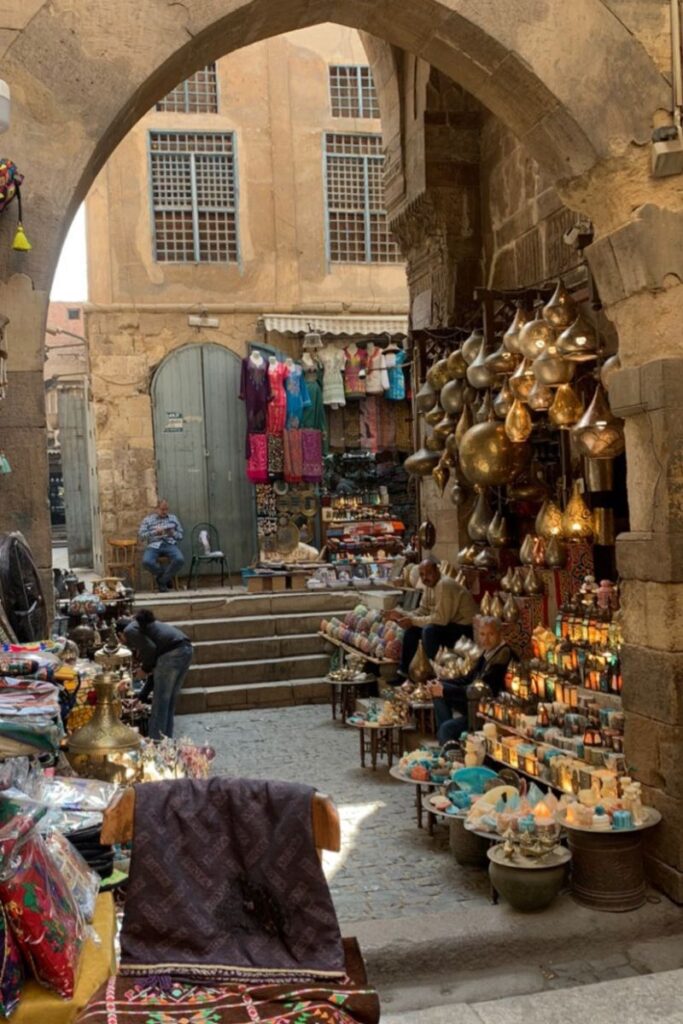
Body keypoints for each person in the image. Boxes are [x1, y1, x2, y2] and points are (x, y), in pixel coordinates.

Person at [388, 557, 477, 678]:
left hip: (464, 630)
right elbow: (423, 610)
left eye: (429, 573)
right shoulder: (429, 585)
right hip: (449, 626)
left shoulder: (444, 584)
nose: (425, 578)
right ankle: (404, 673)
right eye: (422, 574)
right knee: (412, 631)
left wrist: (412, 620)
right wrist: (403, 615)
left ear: (437, 571)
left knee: (429, 631)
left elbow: (441, 619)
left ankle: (436, 674)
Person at [429, 616, 512, 744]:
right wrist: (442, 684)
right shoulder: (488, 652)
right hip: (473, 701)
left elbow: (482, 690)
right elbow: (468, 678)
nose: (486, 639)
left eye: (491, 634)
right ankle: (449, 744)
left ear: (500, 634)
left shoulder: (503, 655)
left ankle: (448, 743)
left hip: (488, 710)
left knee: (446, 729)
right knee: (438, 691)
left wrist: (445, 690)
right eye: (483, 634)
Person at [116, 610, 193, 739]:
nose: (126, 644)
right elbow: (155, 673)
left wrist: (143, 670)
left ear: (120, 634)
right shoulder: (143, 629)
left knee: (160, 704)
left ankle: (155, 746)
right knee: (168, 702)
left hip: (172, 652)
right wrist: (141, 697)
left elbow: (150, 651)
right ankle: (165, 743)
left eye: (122, 641)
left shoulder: (129, 631)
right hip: (185, 649)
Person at [139, 498, 184, 591]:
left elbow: (180, 536)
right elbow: (141, 536)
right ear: (156, 509)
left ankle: (162, 581)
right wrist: (154, 533)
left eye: (166, 509)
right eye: (162, 509)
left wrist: (173, 533)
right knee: (146, 562)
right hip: (154, 545)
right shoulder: (148, 520)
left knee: (180, 559)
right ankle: (165, 577)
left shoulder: (173, 518)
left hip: (169, 544)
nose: (164, 512)